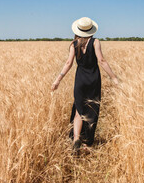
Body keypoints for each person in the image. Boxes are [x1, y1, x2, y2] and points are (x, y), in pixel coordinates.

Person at [51, 17, 119, 153]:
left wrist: (57, 80)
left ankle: (76, 138)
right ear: (91, 30)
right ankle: (87, 144)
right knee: (92, 110)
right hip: (93, 79)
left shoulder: (73, 44)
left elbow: (68, 63)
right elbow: (102, 60)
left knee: (78, 110)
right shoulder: (95, 42)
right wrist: (114, 78)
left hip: (80, 80)